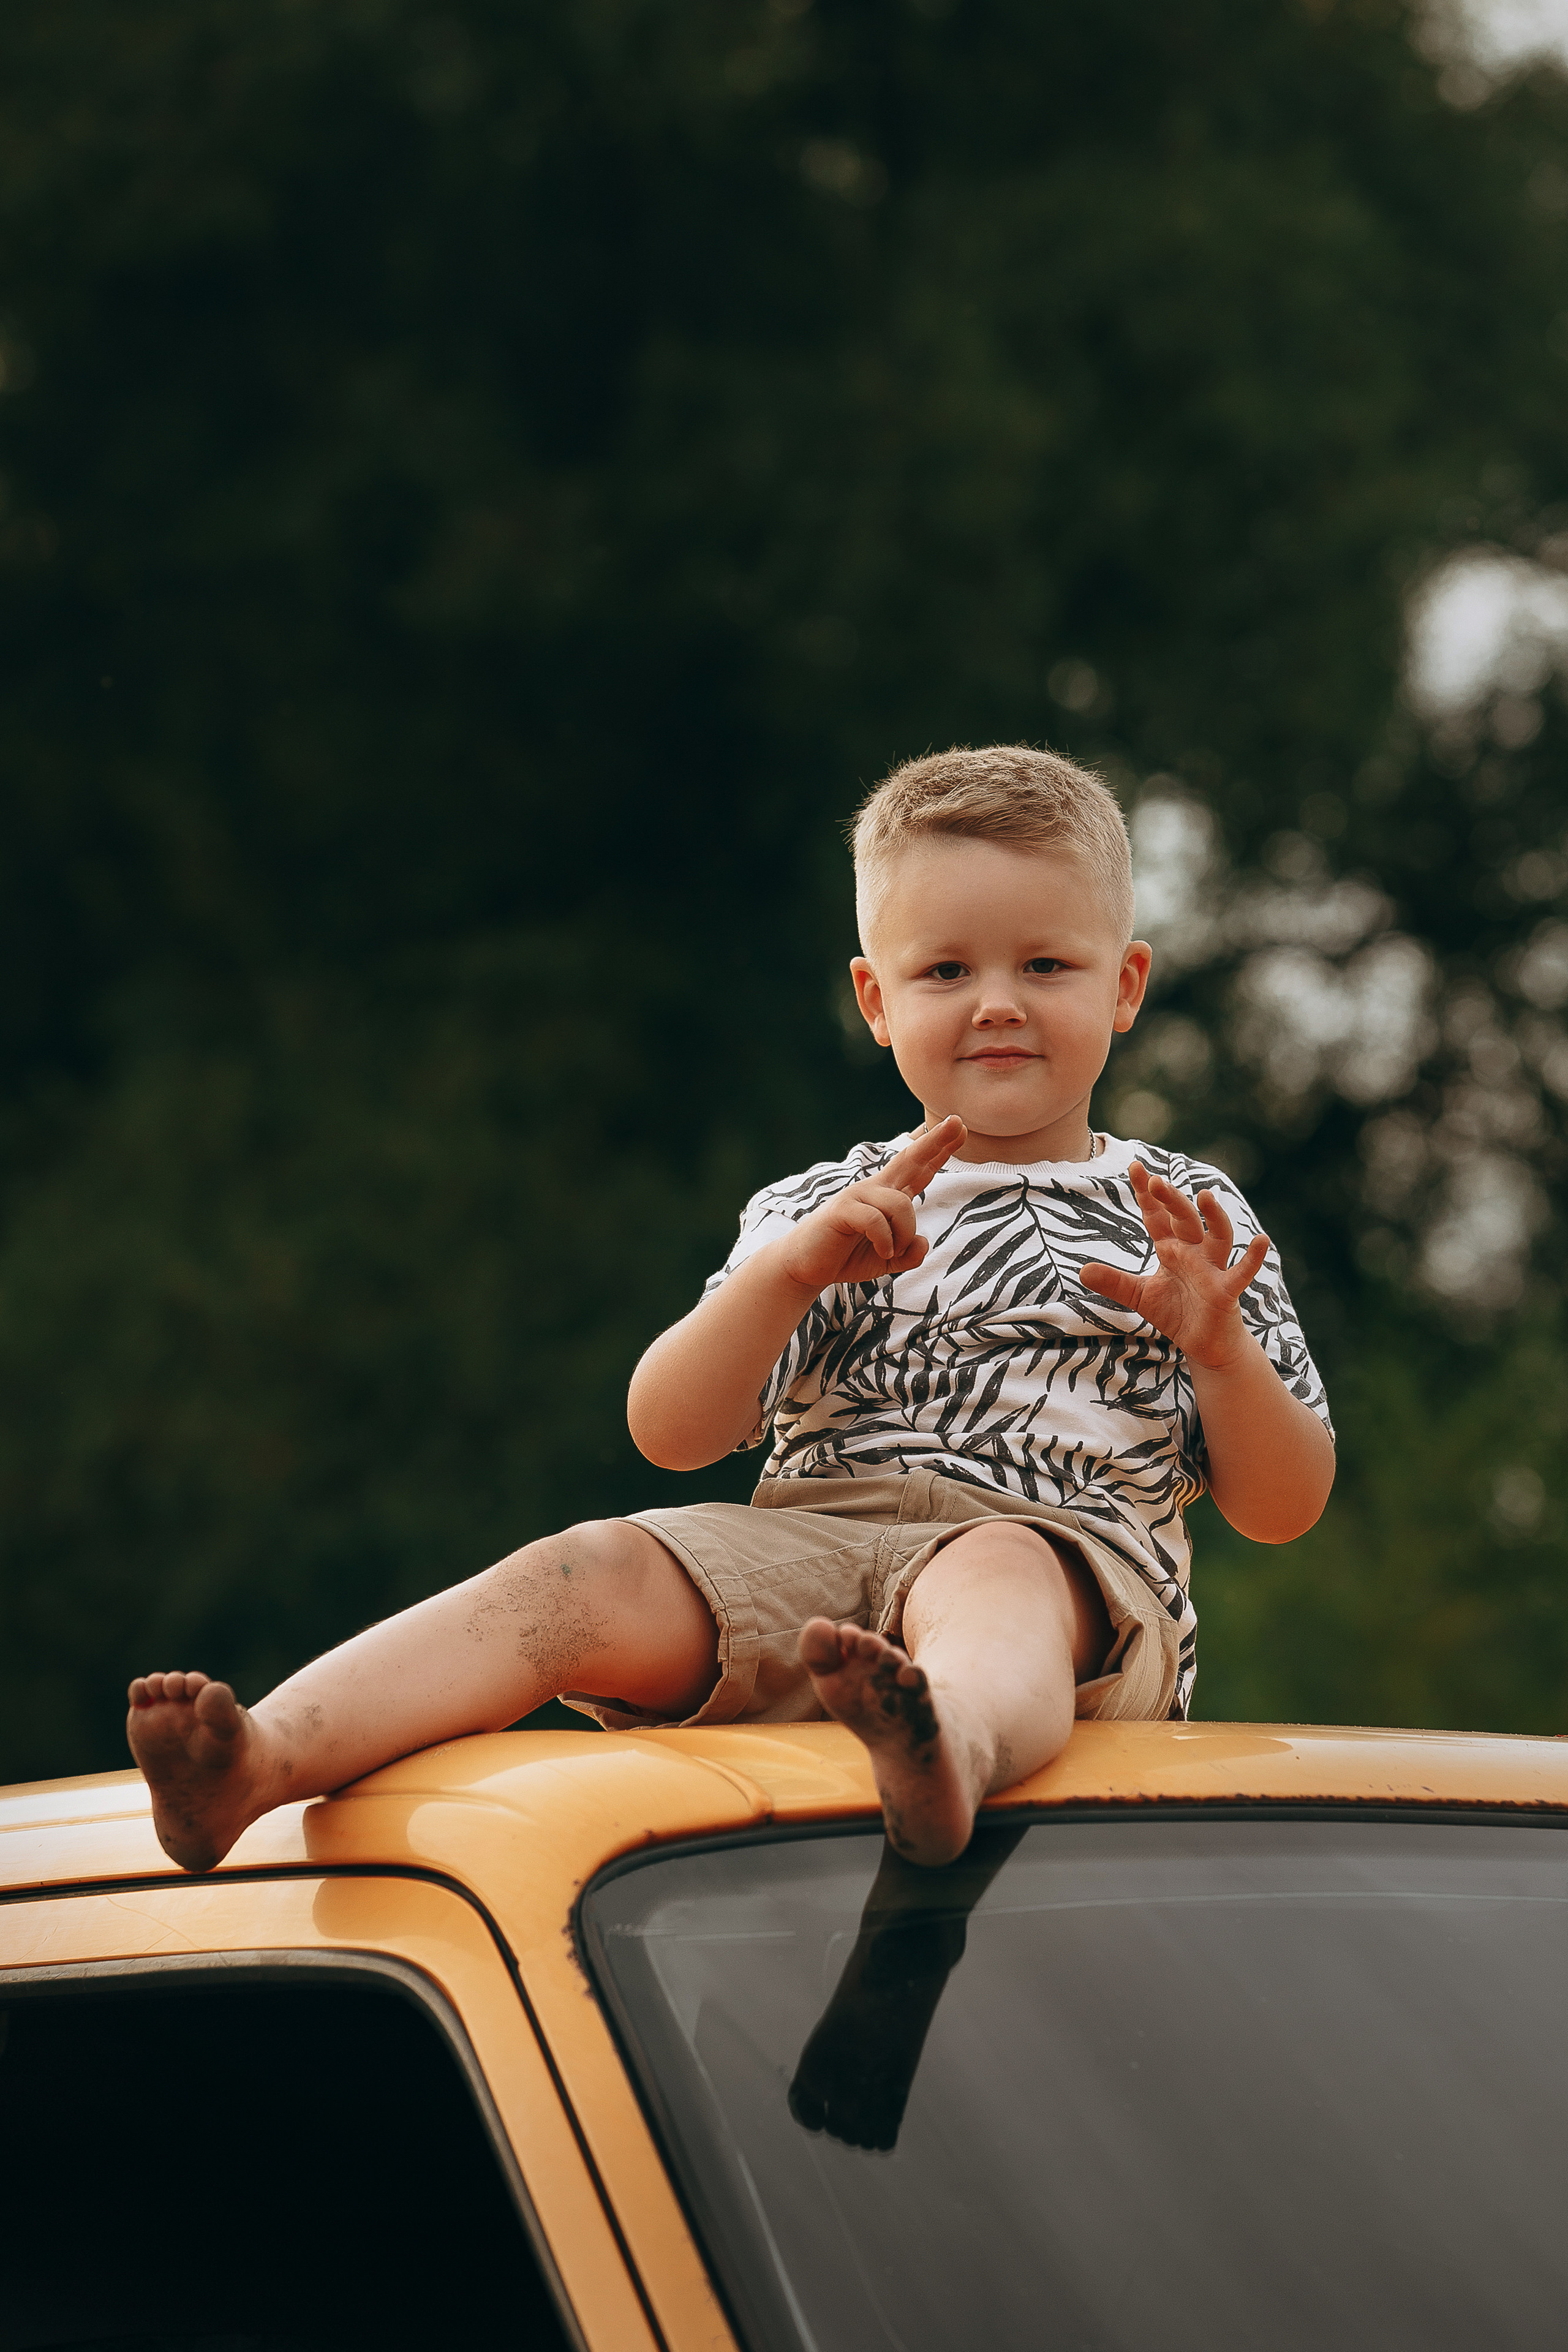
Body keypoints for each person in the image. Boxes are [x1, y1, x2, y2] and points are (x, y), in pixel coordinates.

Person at [127, 744, 1335, 1872]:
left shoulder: (1182, 1213)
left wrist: (1217, 1349)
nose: (996, 1004)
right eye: (946, 971)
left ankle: (947, 1751)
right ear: (875, 1000)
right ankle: (264, 1757)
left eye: (1044, 965)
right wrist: (783, 1277)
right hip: (812, 1564)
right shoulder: (815, 1207)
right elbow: (671, 1431)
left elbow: (1282, 1509)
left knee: (994, 1566)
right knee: (589, 1567)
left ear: (1123, 987)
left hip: (1061, 1580)